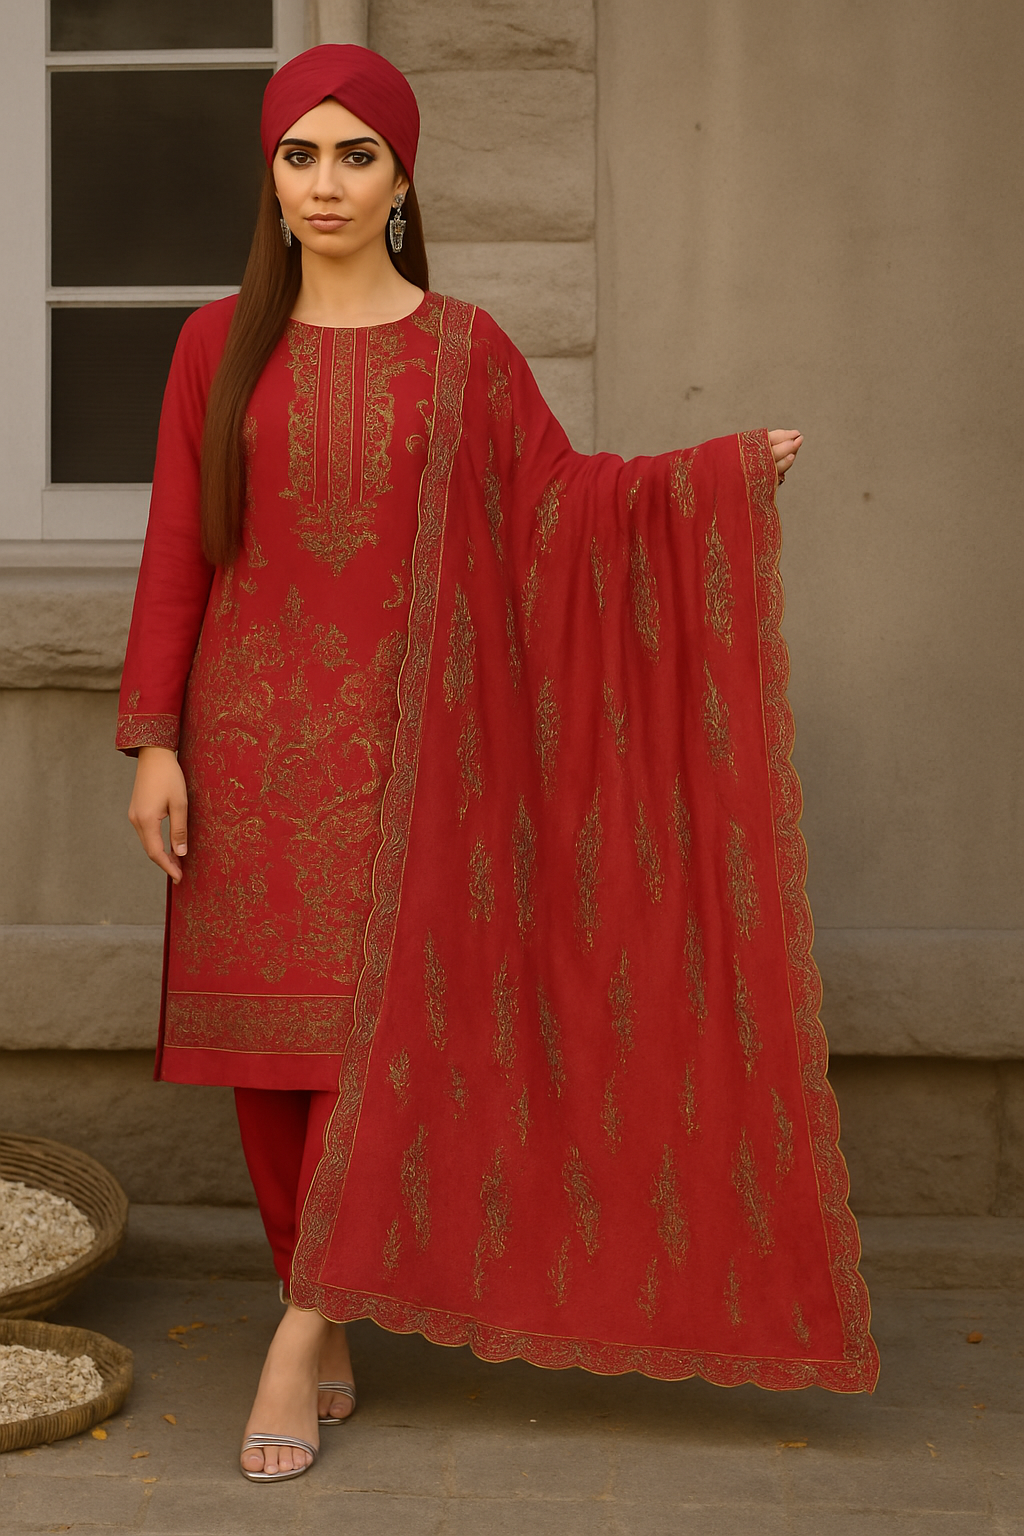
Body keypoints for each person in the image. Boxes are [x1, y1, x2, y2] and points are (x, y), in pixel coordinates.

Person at [118, 44, 877, 1484]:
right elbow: (179, 545)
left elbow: (559, 513)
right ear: (270, 178)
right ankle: (324, 1299)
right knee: (266, 1064)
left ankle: (297, 1325)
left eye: (356, 156)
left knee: (362, 1049)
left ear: (405, 178)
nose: (326, 183)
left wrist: (704, 483)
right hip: (246, 746)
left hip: (410, 765)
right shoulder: (216, 345)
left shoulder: (466, 351)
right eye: (300, 155)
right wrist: (154, 738)